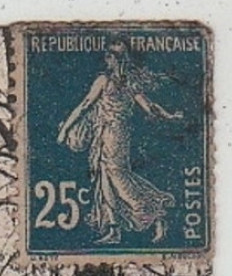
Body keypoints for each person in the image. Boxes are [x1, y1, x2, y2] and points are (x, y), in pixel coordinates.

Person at [57, 39, 186, 246]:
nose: (106, 59)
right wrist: (168, 116)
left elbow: (84, 105)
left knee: (117, 175)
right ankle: (113, 228)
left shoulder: (105, 80)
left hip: (113, 134)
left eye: (109, 56)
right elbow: (150, 107)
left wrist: (65, 129)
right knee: (104, 178)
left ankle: (153, 210)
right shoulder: (129, 83)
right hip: (108, 133)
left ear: (112, 58)